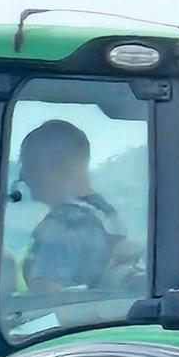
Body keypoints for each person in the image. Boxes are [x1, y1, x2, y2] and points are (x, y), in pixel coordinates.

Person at [18, 120, 127, 292]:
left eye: (28, 165)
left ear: (54, 166)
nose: (22, 176)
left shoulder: (66, 223)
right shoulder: (107, 215)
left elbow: (45, 297)